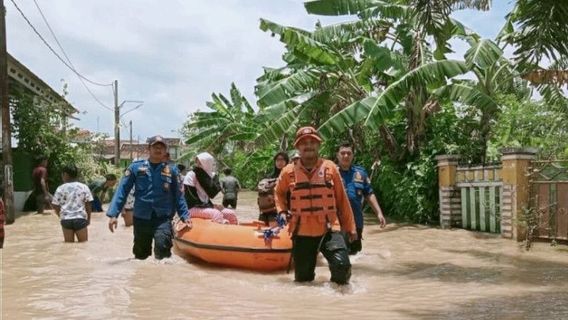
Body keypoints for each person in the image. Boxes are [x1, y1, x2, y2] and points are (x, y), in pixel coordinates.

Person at [274, 126, 357, 285]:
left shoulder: (330, 168)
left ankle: (337, 301)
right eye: (304, 142)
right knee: (303, 281)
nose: (309, 145)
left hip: (329, 229)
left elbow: (342, 199)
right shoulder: (288, 172)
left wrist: (350, 227)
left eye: (312, 142)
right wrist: (282, 211)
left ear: (319, 145)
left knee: (342, 267)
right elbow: (278, 193)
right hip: (301, 230)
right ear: (298, 147)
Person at [106, 135, 191, 260]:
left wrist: (185, 216)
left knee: (163, 250)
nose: (158, 150)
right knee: (141, 255)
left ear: (165, 151)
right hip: (141, 217)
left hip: (163, 218)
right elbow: (122, 190)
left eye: (161, 147)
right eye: (155, 147)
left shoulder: (172, 171)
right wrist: (114, 214)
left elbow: (179, 196)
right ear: (148, 149)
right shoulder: (135, 168)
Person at [337, 142, 386, 255]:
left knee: (354, 254)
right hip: (337, 222)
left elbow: (369, 194)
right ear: (337, 155)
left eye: (349, 153)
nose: (346, 156)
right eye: (343, 153)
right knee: (339, 255)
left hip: (356, 222)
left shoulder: (360, 173)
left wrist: (379, 213)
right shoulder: (331, 172)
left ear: (353, 155)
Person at [183, 152, 238, 224]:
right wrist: (210, 206)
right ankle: (219, 230)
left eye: (200, 163)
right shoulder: (191, 175)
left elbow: (212, 194)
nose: (197, 166)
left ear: (207, 164)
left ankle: (233, 232)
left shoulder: (212, 177)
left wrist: (212, 205)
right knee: (216, 214)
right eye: (197, 163)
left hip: (206, 206)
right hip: (192, 208)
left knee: (231, 213)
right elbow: (190, 198)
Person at [51, 164, 94, 242]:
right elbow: (88, 204)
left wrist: (60, 215)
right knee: (83, 245)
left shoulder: (60, 188)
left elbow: (55, 204)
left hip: (66, 220)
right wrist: (89, 219)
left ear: (65, 174)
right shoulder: (84, 187)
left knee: (68, 247)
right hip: (80, 219)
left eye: (62, 174)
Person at [257, 152, 289, 225]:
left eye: (282, 160)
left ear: (286, 161)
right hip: (267, 211)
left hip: (278, 210)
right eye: (277, 160)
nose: (279, 162)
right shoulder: (268, 177)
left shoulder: (289, 176)